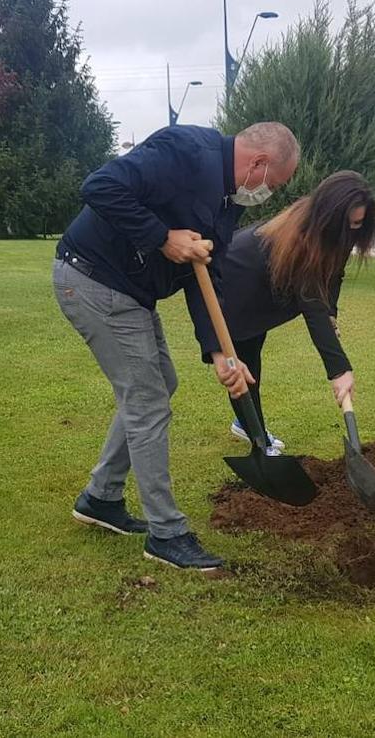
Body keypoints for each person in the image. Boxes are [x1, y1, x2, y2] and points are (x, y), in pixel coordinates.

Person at [53, 122, 300, 571]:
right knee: (147, 399)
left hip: (127, 292)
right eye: (273, 184)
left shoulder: (226, 204)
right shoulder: (185, 151)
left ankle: (100, 498)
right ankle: (166, 533)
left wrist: (220, 353)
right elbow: (100, 186)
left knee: (156, 386)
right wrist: (162, 238)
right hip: (92, 278)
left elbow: (204, 279)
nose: (268, 193)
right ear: (259, 164)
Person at [219, 171, 375, 450]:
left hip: (265, 285)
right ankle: (255, 437)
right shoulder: (303, 238)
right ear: (331, 215)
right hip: (235, 282)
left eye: (359, 224)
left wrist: (332, 312)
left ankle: (247, 423)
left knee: (252, 355)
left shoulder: (338, 231)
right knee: (244, 363)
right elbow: (312, 305)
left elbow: (334, 275)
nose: (354, 231)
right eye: (350, 224)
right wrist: (339, 370)